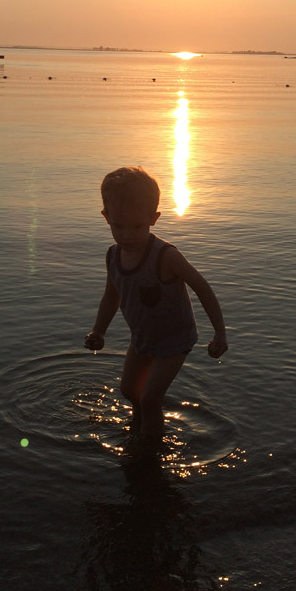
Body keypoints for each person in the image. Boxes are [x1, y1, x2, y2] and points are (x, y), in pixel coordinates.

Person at [85, 166, 228, 447]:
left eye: (136, 226)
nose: (127, 235)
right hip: (142, 339)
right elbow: (111, 296)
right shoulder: (113, 256)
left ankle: (149, 452)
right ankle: (138, 430)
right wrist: (98, 331)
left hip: (174, 340)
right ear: (106, 218)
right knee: (130, 391)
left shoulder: (166, 256)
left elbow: (202, 287)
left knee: (150, 397)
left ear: (153, 218)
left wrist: (220, 333)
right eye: (119, 226)